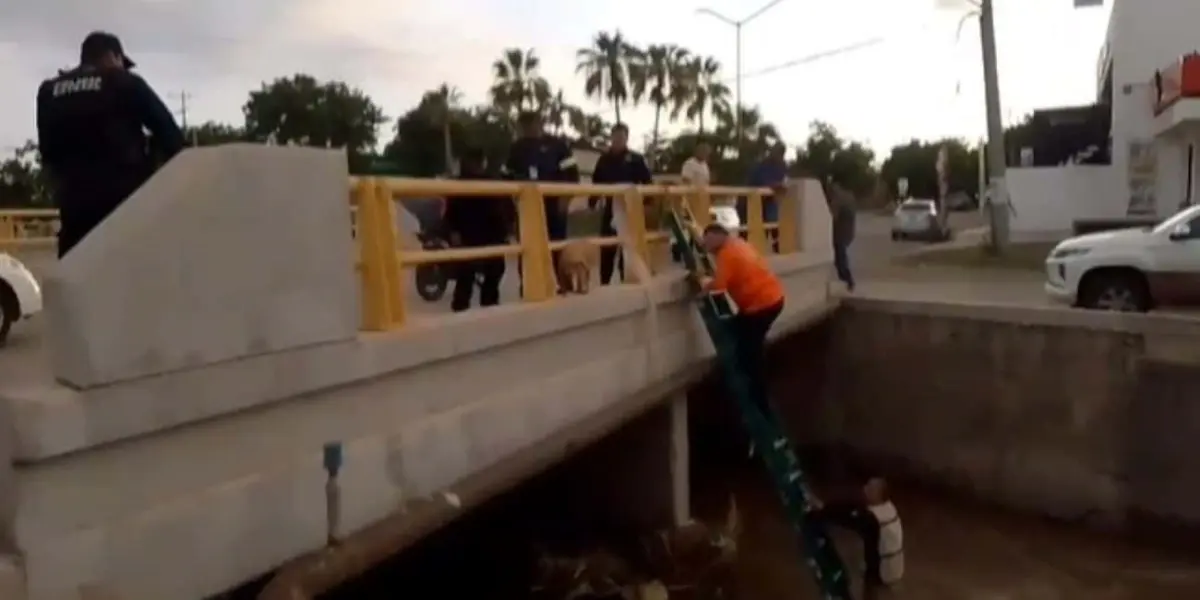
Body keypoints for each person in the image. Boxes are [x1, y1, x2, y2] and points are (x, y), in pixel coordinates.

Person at [37, 31, 184, 258]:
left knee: (77, 284)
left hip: (74, 213)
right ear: (114, 56)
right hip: (124, 212)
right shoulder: (125, 83)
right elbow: (172, 139)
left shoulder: (48, 92)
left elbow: (47, 153)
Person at [698, 223, 785, 416]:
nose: (707, 245)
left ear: (719, 236)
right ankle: (756, 385)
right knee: (742, 331)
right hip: (773, 298)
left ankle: (759, 398)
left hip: (761, 305)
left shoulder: (726, 254)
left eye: (708, 240)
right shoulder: (739, 244)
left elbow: (720, 284)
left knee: (750, 350)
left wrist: (704, 286)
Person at [503, 111, 580, 291]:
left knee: (557, 246)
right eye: (525, 126)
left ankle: (562, 284)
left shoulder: (557, 146)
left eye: (532, 124)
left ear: (539, 123)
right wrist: (510, 205)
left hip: (554, 205)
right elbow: (505, 177)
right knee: (528, 247)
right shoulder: (517, 148)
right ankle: (529, 285)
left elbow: (572, 175)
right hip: (527, 208)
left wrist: (566, 199)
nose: (529, 129)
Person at [810, 476, 904, 599]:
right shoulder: (888, 508)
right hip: (894, 569)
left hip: (881, 572)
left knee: (872, 594)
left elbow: (849, 518)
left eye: (871, 488)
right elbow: (854, 510)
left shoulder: (873, 518)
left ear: (879, 496)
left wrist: (824, 509)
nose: (865, 489)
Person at [444, 148, 513, 312]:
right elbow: (505, 210)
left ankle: (464, 306)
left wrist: (454, 232)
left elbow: (450, 214)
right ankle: (483, 304)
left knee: (469, 274)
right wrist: (506, 232)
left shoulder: (462, 184)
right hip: (485, 235)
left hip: (476, 235)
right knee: (482, 273)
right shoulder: (489, 183)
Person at [589, 123, 652, 285]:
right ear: (611, 138)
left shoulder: (636, 159)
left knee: (628, 247)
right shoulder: (604, 159)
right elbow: (596, 182)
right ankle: (604, 281)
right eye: (615, 137)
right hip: (610, 207)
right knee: (607, 246)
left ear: (626, 138)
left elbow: (647, 183)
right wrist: (592, 201)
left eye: (621, 137)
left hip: (629, 209)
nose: (617, 140)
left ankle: (628, 278)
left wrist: (647, 204)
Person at [744, 143, 789, 248]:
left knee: (773, 220)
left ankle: (776, 244)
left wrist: (782, 185)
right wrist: (771, 184)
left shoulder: (782, 166)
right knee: (751, 225)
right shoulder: (761, 165)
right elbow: (755, 180)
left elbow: (785, 179)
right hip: (754, 199)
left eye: (781, 153)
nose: (779, 156)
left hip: (771, 200)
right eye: (777, 152)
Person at [827, 180, 857, 292]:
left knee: (840, 259)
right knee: (840, 257)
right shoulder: (849, 196)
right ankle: (846, 280)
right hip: (849, 232)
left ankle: (848, 281)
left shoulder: (837, 199)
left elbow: (833, 215)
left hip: (840, 233)